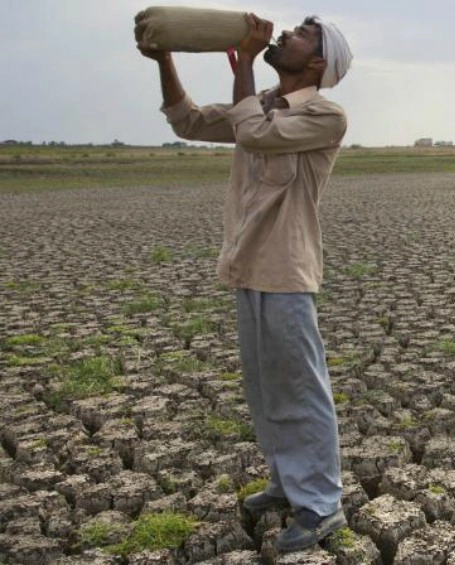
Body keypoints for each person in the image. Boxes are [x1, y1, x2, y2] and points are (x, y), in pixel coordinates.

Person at [138, 13, 353, 553]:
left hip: (285, 269)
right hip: (247, 266)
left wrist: (248, 64)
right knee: (265, 388)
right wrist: (165, 56)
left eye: (300, 33)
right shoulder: (259, 104)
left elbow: (253, 133)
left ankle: (322, 506)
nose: (284, 34)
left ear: (318, 61)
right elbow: (186, 121)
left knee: (301, 388)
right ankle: (287, 483)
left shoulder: (325, 114)